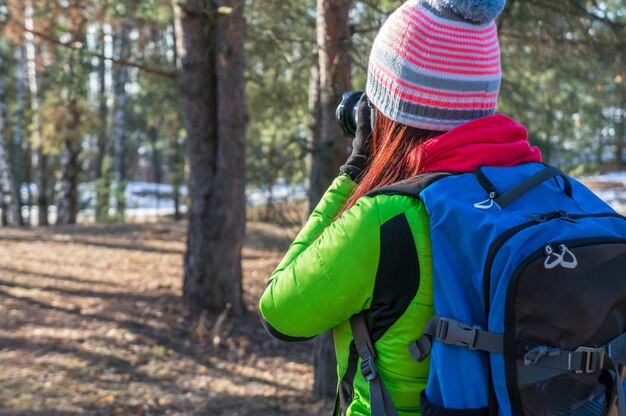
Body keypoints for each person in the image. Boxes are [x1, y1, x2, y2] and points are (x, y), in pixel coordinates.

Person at [259, 0, 543, 414]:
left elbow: (278, 312)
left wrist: (355, 173)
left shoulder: (387, 218)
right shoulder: (544, 193)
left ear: (387, 113)